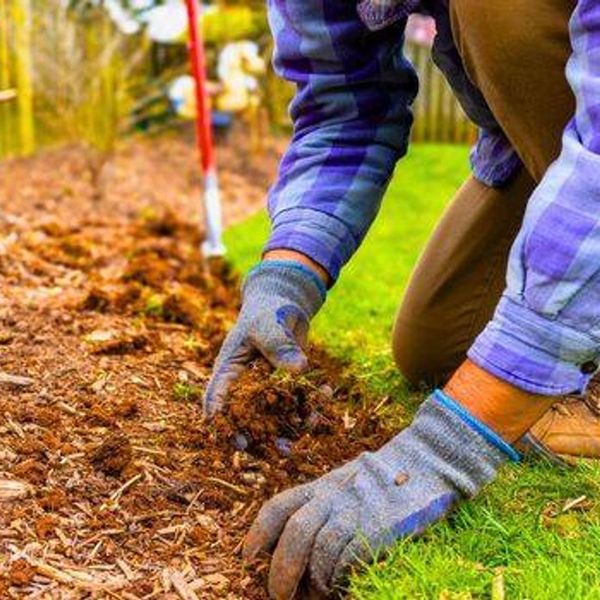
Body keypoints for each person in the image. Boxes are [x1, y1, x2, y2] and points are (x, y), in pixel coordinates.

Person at [203, 0, 600, 597]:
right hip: (544, 154)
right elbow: (342, 111)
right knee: (436, 346)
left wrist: (443, 449)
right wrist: (285, 276)